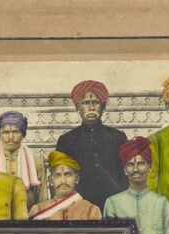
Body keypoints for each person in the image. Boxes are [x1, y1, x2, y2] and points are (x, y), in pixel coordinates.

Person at [55, 80, 128, 211]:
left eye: (96, 102)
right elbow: (60, 178)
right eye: (86, 103)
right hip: (78, 207)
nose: (91, 108)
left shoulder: (118, 137)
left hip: (113, 206)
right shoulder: (66, 140)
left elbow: (125, 177)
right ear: (77, 107)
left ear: (104, 106)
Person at [0, 110, 45, 209]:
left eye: (16, 132)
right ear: (0, 136)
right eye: (6, 132)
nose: (11, 137)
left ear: (23, 135)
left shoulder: (36, 162)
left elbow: (42, 199)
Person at [28, 151, 101, 221]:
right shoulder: (38, 210)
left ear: (76, 178)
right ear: (50, 180)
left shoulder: (91, 210)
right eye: (57, 175)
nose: (63, 181)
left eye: (68, 174)